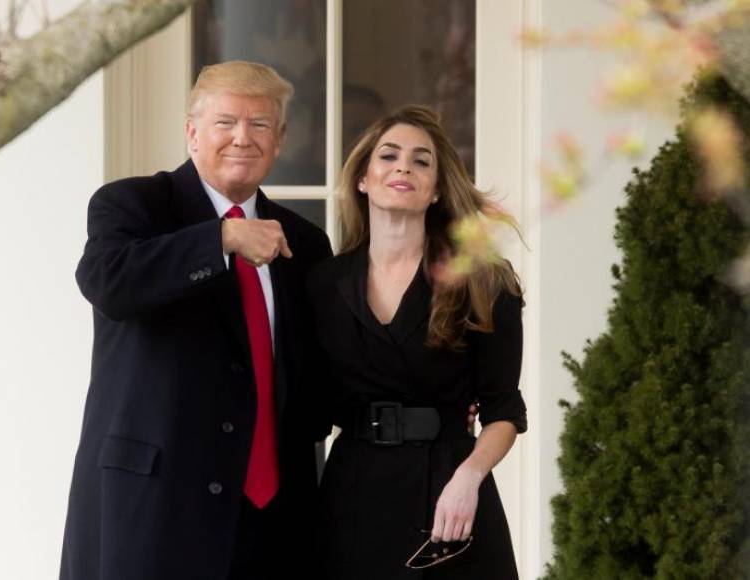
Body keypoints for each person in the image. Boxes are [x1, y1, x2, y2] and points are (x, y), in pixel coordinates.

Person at [59, 61, 333, 580]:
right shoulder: (134, 205)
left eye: (259, 124)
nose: (242, 137)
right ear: (192, 133)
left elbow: (320, 373)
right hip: (156, 508)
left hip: (274, 518)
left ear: (279, 141)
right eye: (225, 122)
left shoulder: (304, 241)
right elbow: (107, 282)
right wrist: (221, 239)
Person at [308, 105, 527, 579]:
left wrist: (469, 477)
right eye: (388, 156)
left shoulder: (484, 281)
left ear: (437, 189)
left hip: (451, 495)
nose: (403, 167)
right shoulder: (322, 284)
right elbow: (307, 403)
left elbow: (504, 411)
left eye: (421, 161)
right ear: (363, 178)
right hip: (354, 497)